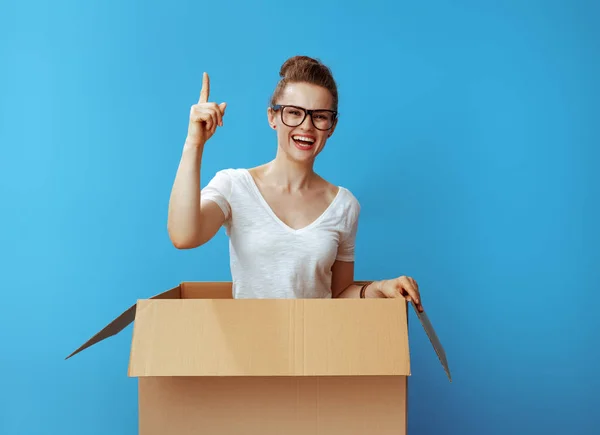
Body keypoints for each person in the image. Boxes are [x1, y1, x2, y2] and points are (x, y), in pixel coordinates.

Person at [167, 55, 423, 311]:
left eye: (319, 116)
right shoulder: (234, 186)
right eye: (294, 112)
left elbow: (339, 296)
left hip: (317, 346)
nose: (306, 126)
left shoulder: (344, 205)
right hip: (251, 343)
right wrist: (194, 143)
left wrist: (378, 289)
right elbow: (183, 236)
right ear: (272, 117)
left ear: (331, 126)